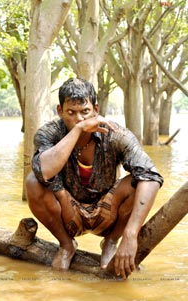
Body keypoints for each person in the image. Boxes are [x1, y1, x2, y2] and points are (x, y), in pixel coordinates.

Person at [26, 77, 163, 279]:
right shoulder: (49, 133)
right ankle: (66, 245)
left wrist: (131, 235)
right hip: (68, 211)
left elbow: (152, 176)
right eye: (71, 113)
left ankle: (110, 242)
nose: (79, 118)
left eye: (85, 112)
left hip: (109, 212)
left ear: (96, 109)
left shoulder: (116, 134)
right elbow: (44, 171)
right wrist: (78, 130)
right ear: (60, 111)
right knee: (32, 182)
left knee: (138, 182)